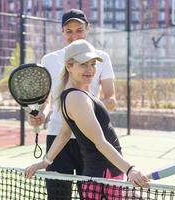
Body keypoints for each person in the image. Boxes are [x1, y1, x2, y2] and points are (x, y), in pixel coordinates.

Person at [25, 39, 150, 199]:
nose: (90, 69)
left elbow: (64, 134)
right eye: (83, 64)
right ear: (69, 66)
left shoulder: (74, 94)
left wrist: (44, 162)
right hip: (103, 178)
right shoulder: (77, 98)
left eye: (93, 64)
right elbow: (100, 142)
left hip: (104, 176)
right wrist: (130, 169)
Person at [27, 9, 116, 199]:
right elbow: (47, 100)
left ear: (88, 29)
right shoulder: (49, 60)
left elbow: (111, 99)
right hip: (57, 138)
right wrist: (41, 114)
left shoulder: (102, 58)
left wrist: (88, 109)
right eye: (69, 31)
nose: (74, 35)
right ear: (62, 32)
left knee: (92, 196)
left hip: (90, 141)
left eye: (79, 30)